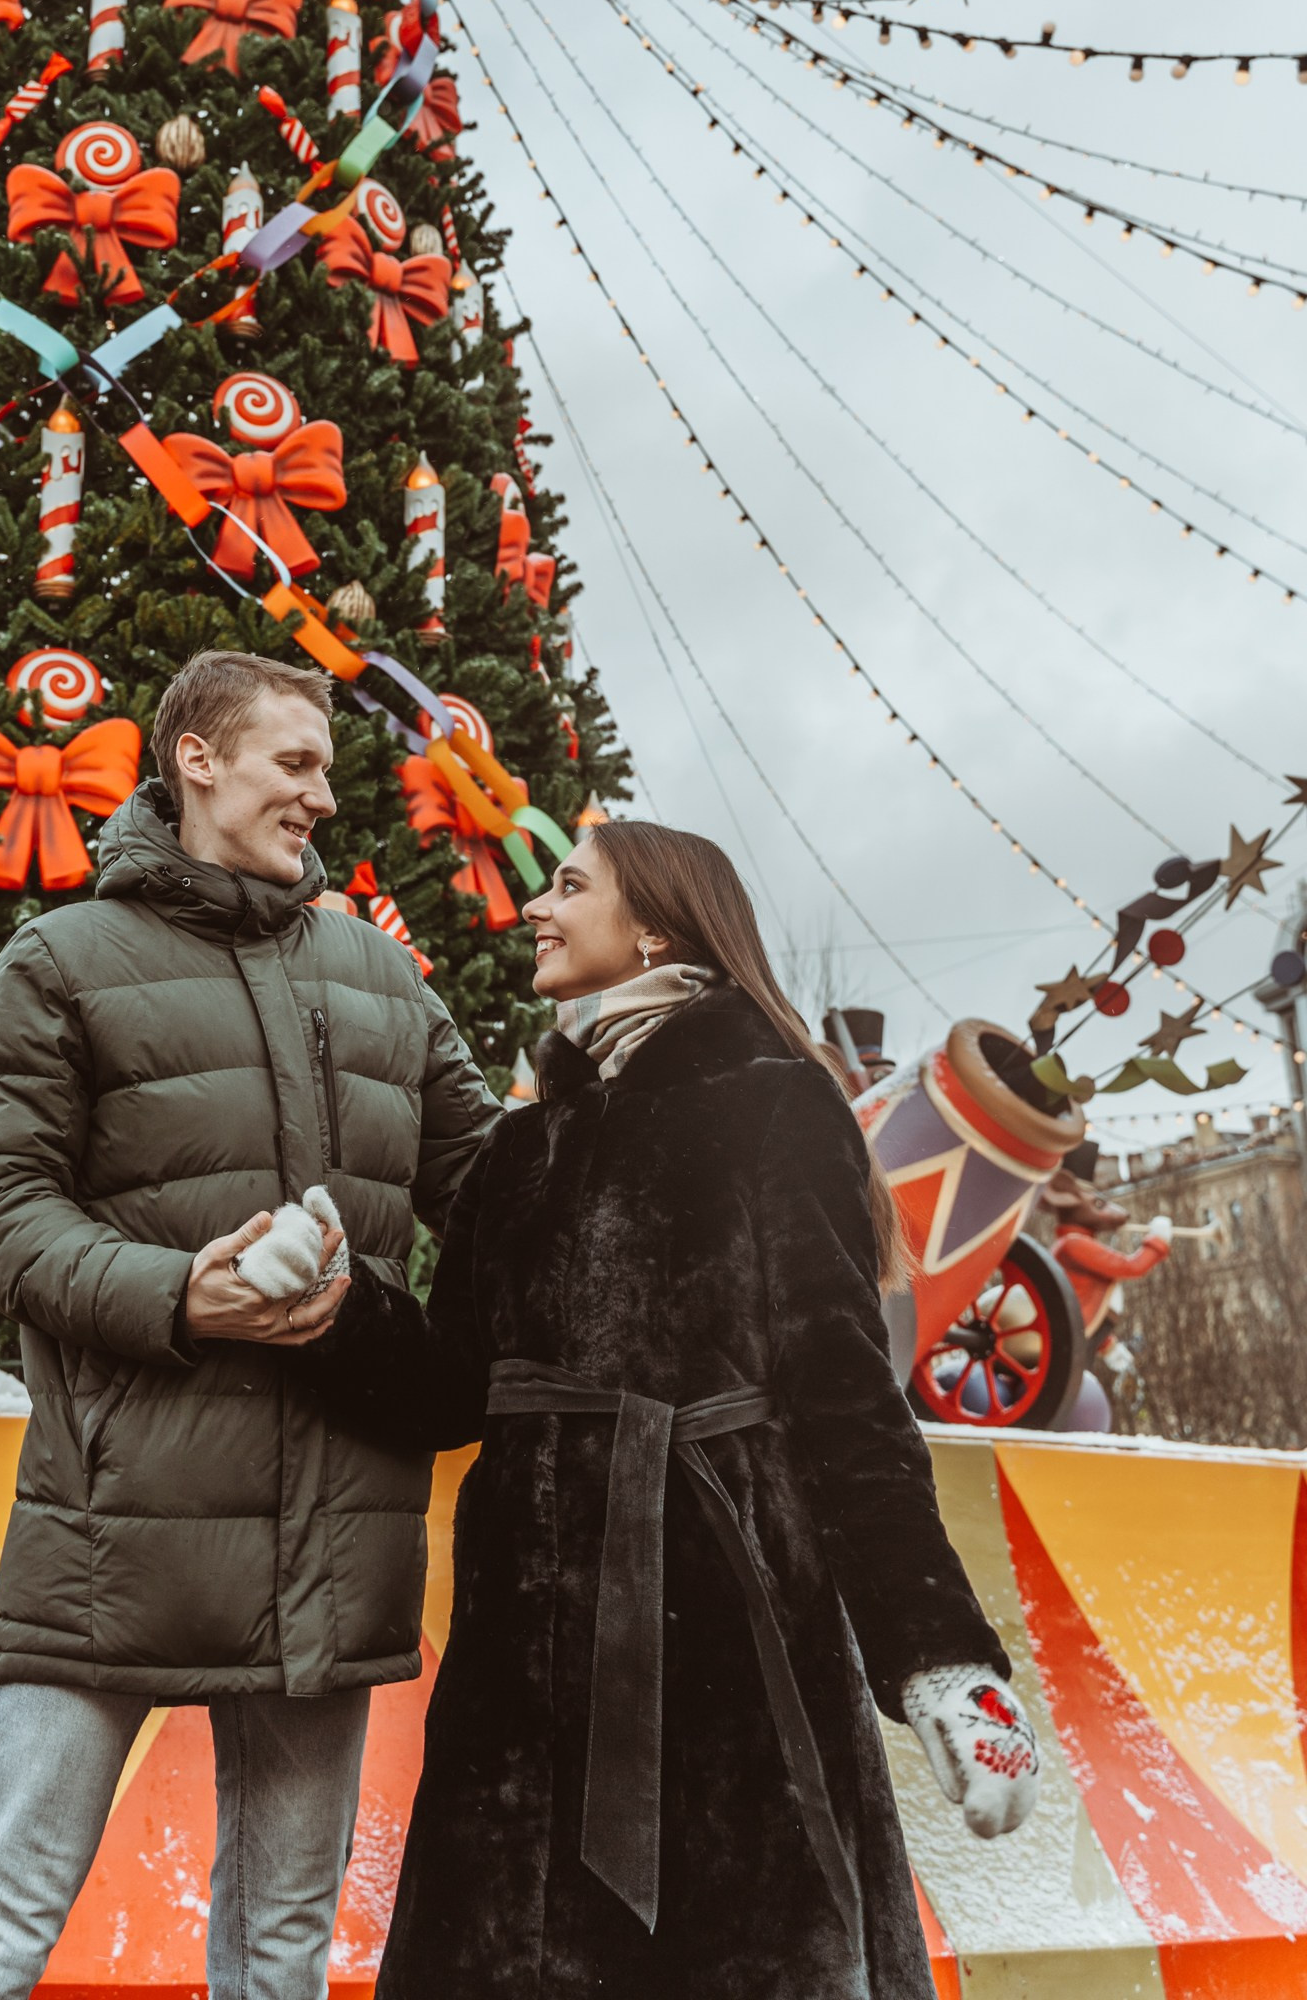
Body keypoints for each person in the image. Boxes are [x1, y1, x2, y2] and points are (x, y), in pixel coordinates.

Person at [301, 819, 1039, 2000]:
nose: (535, 908)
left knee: (733, 1955)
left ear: (654, 923)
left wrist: (942, 1660)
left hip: (722, 1633)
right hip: (517, 1667)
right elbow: (451, 1387)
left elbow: (842, 1398)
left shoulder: (770, 1103)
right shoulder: (519, 1147)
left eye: (567, 884)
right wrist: (325, 1305)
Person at [0, 648, 496, 2000]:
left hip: (333, 1539)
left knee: (281, 1954)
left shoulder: (384, 979)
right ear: (198, 760)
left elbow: (512, 1194)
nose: (324, 798)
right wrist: (179, 1296)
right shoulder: (61, 959)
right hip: (118, 1527)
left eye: (329, 769)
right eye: (296, 763)